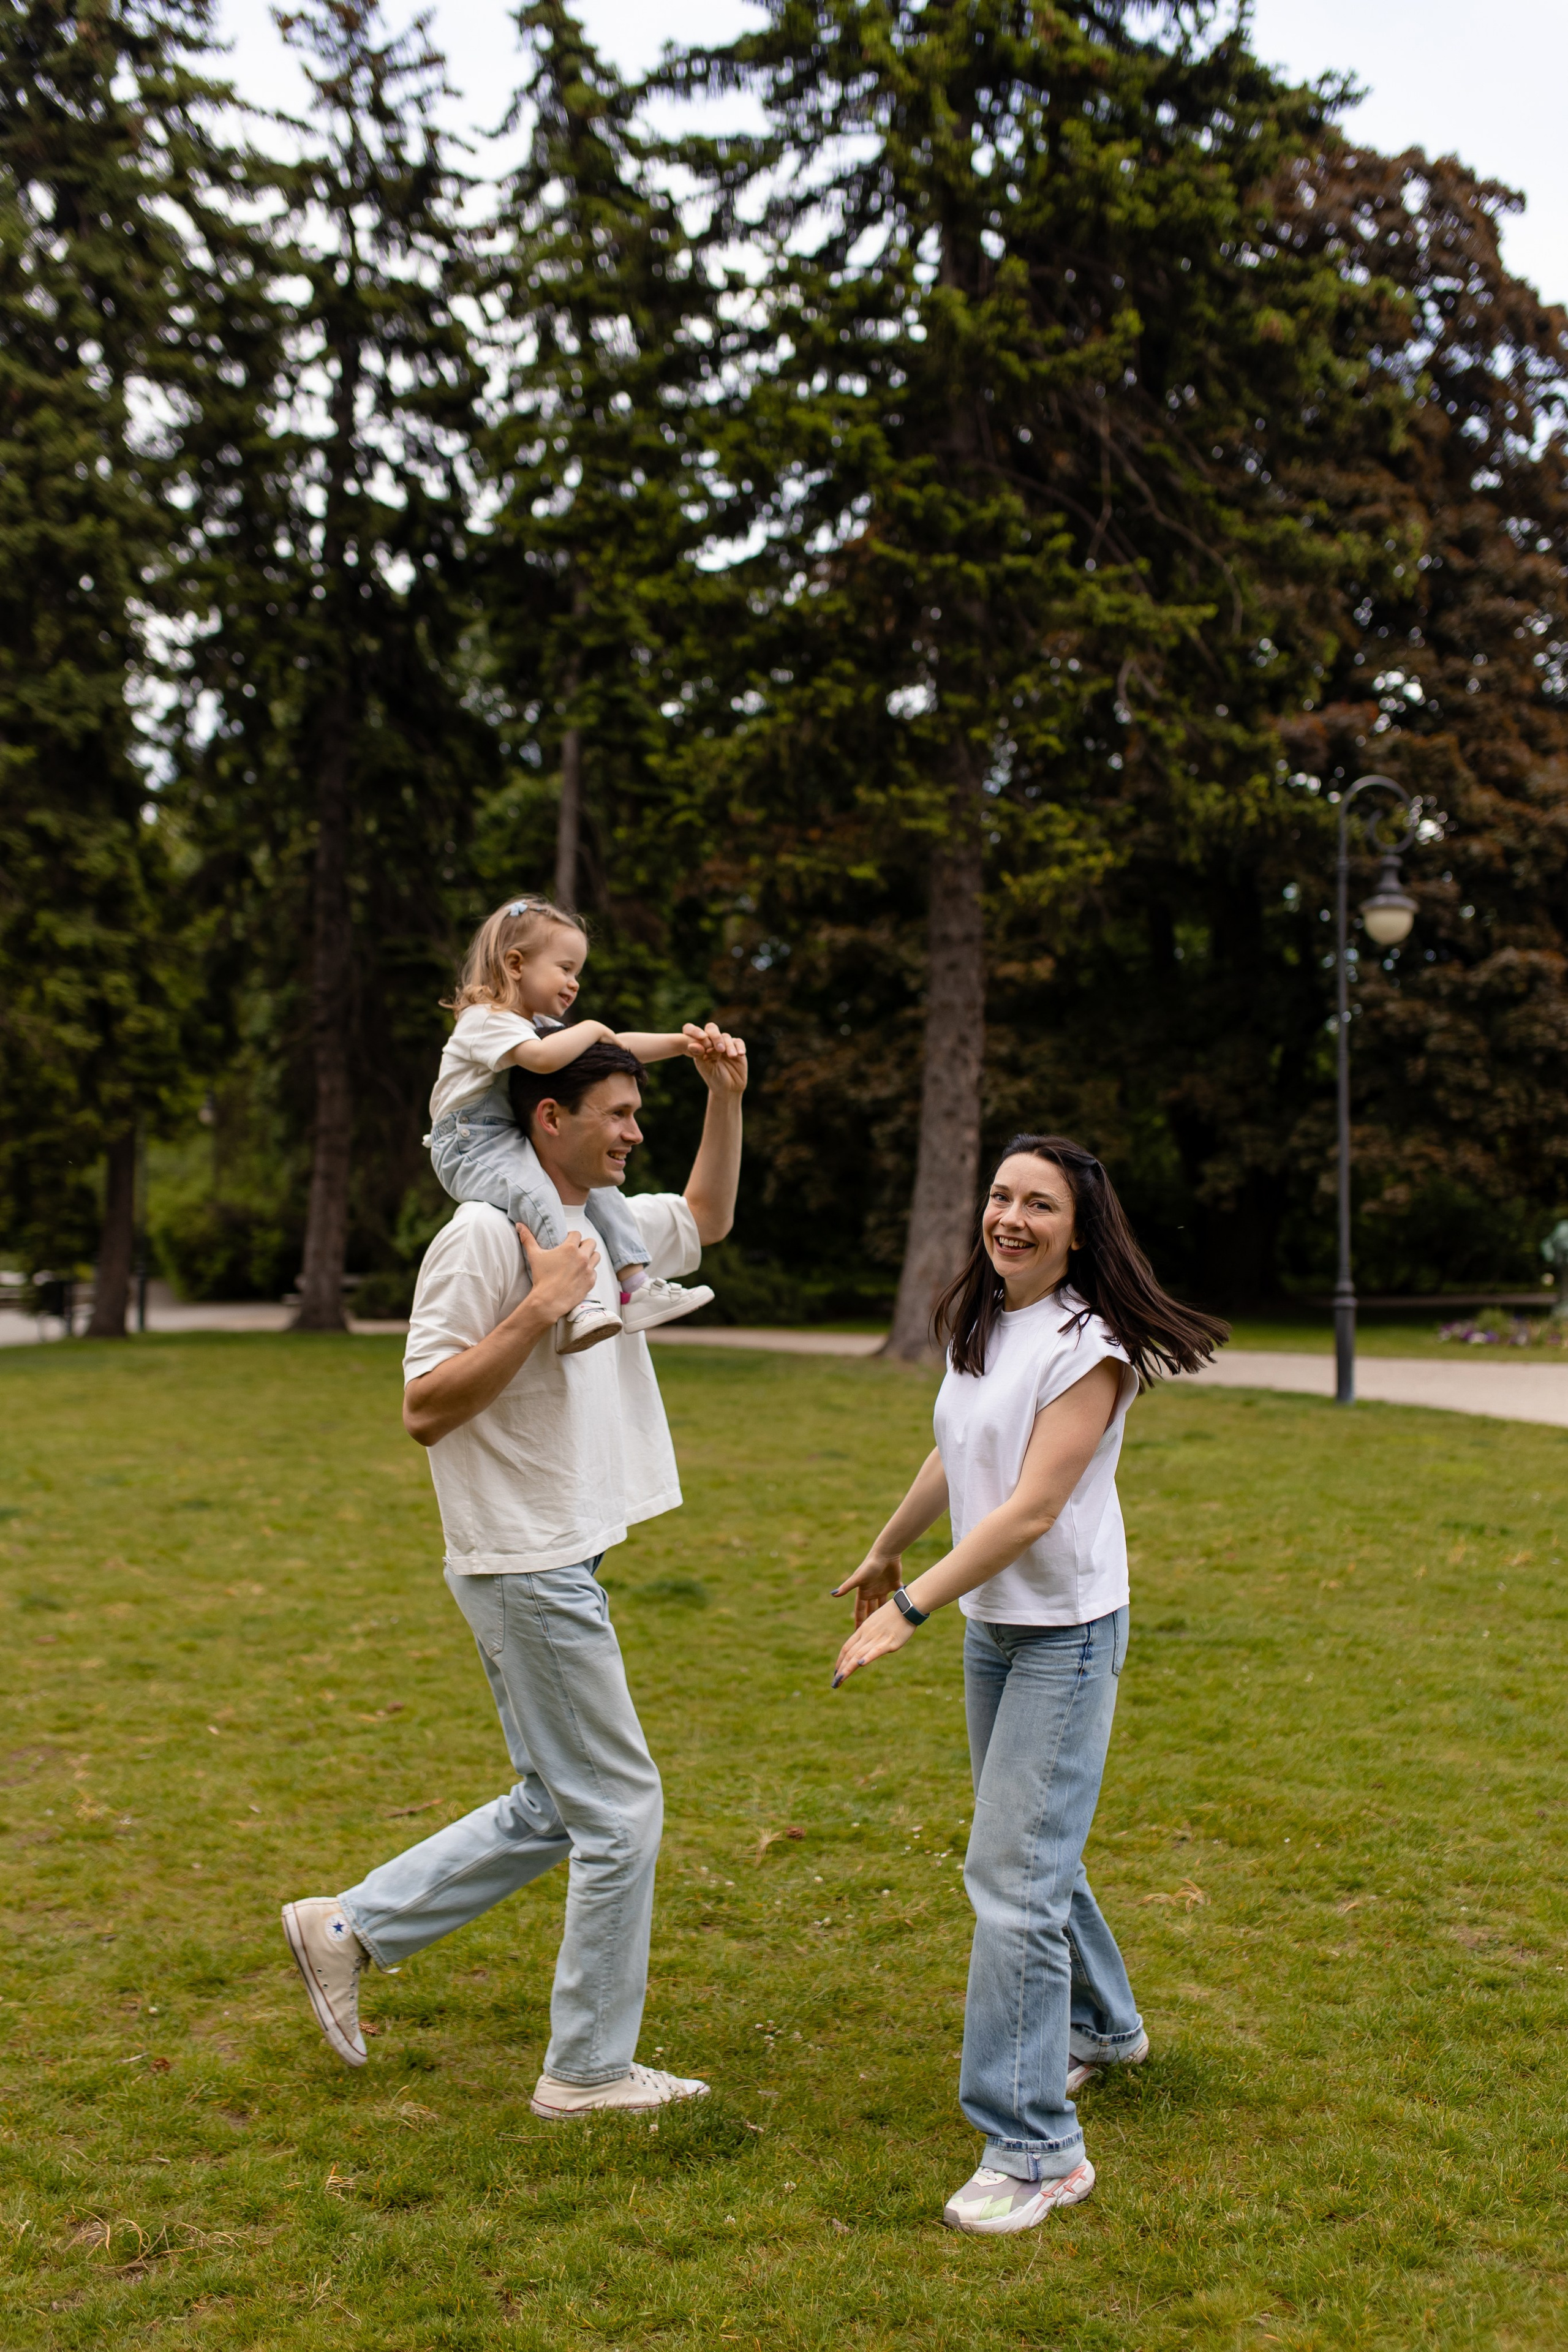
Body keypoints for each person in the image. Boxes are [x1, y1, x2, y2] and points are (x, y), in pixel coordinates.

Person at [282, 1028, 747, 2119]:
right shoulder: (487, 1235)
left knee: (557, 1802)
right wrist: (544, 1305)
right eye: (619, 1114)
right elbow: (422, 1406)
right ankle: (584, 2070)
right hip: (524, 1556)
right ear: (549, 1117)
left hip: (557, 1550)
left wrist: (725, 1097)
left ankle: (349, 1926)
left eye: (642, 1114)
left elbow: (710, 1221)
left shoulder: (604, 1218)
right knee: (621, 1811)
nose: (637, 1133)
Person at [831, 1135, 1226, 2234]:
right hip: (999, 1630)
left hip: (1067, 1633)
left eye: (1038, 1205)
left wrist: (915, 1612)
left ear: (1079, 1229)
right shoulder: (989, 1320)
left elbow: (1032, 1508)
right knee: (1030, 1848)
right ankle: (1104, 2027)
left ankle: (1038, 2147)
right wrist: (885, 1551)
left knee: (1011, 1875)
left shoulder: (1091, 1349)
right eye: (1001, 1197)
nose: (1010, 1217)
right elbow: (959, 1452)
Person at [428, 892, 728, 1354]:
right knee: (537, 1194)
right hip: (469, 1144)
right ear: (515, 964)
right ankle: (578, 1304)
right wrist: (590, 1027)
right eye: (565, 969)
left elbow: (613, 1046)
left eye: (577, 974)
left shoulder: (540, 1022)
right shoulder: (484, 1021)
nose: (574, 984)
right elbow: (546, 1058)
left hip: (506, 1137)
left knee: (602, 1189)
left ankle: (636, 1286)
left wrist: (680, 1045)